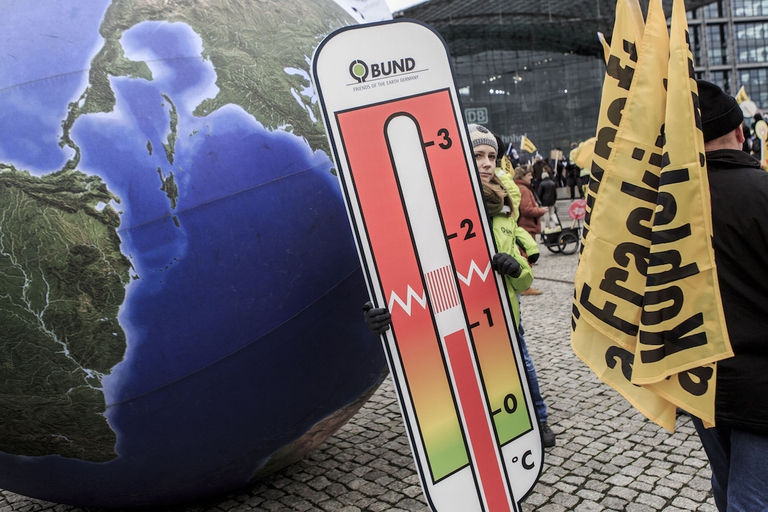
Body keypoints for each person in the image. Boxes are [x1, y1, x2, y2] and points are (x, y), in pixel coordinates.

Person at [363, 124, 556, 447]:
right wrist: (382, 306)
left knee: (518, 359)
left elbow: (524, 275)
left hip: (501, 306)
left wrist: (514, 268)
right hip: (451, 306)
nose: (486, 163)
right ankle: (469, 430)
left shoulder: (503, 201)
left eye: (492, 156)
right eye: (477, 155)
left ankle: (538, 418)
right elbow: (401, 262)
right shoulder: (426, 203)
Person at [690, 79, 768, 511]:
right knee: (750, 498)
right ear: (741, 133)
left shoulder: (665, 209)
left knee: (726, 479)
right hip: (760, 383)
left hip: (700, 380)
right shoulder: (763, 192)